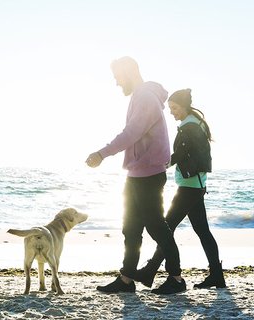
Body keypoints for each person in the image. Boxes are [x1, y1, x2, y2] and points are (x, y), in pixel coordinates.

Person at [86, 56, 185, 294]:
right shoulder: (141, 96)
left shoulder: (145, 98)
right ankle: (127, 278)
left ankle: (177, 278)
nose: (117, 83)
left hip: (149, 174)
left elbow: (131, 133)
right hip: (136, 173)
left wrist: (102, 153)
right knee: (130, 228)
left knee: (156, 227)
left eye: (118, 77)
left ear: (129, 73)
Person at [134, 89, 226, 289]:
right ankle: (217, 276)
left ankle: (153, 271)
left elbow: (179, 155)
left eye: (174, 108)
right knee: (202, 231)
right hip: (196, 185)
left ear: (184, 107)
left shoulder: (189, 127)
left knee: (166, 228)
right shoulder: (196, 124)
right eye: (170, 108)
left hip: (189, 186)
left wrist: (158, 165)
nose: (172, 112)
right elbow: (189, 154)